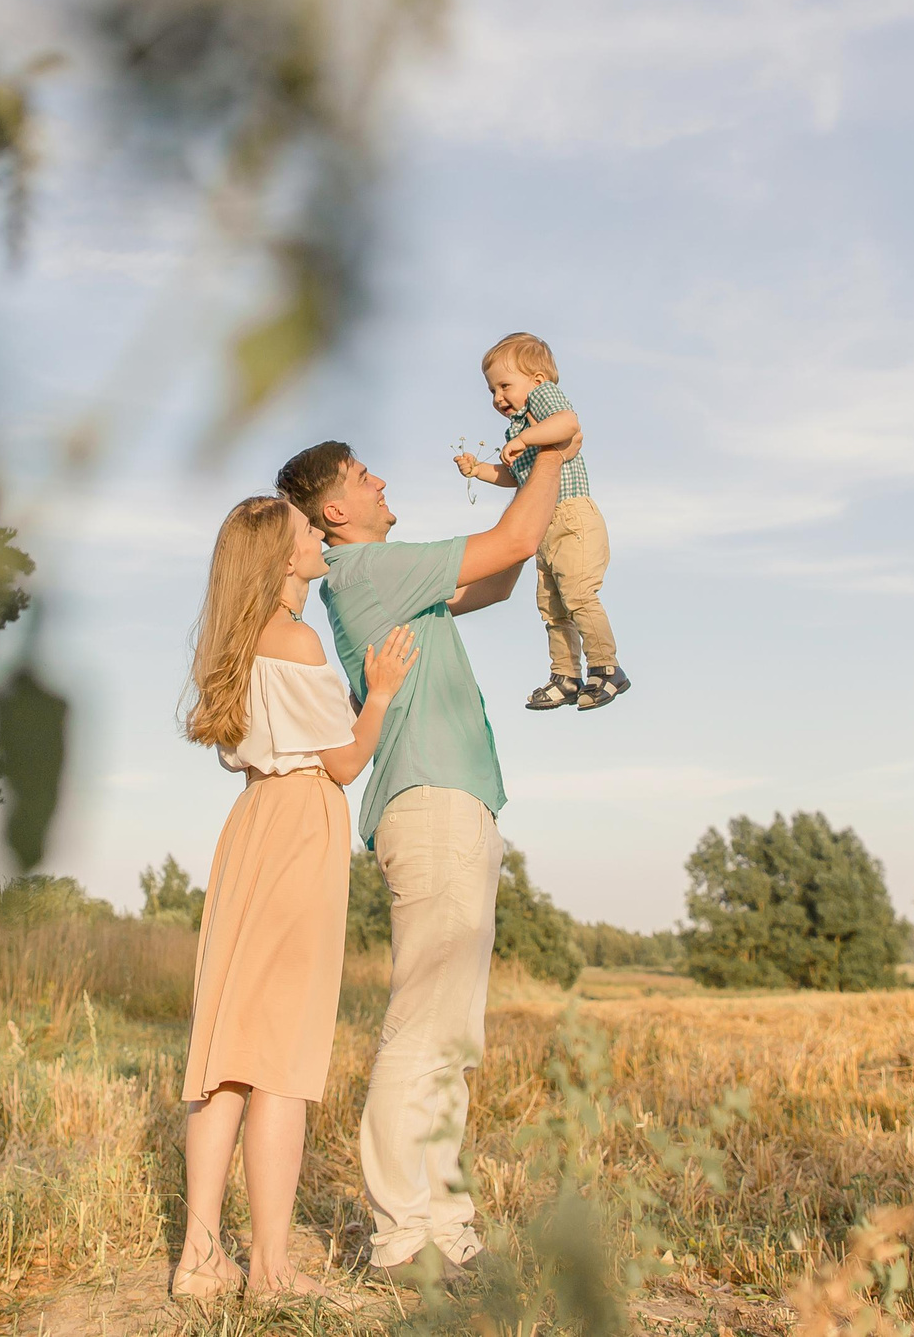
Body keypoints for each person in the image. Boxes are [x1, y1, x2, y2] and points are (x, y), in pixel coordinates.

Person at [274, 427, 574, 1281]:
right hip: (432, 800)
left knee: (452, 1031)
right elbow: (513, 538)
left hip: (457, 799)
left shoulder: (400, 579)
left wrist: (529, 476)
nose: (380, 483)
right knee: (422, 1021)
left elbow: (507, 572)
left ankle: (446, 1225)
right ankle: (402, 1235)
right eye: (365, 477)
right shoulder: (367, 568)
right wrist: (553, 447)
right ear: (336, 510)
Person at [173, 495, 419, 1303]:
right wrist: (378, 690)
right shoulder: (299, 638)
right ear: (283, 559)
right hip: (300, 825)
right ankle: (272, 1272)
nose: (319, 536)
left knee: (225, 1051)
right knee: (280, 1052)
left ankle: (200, 1256)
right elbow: (345, 761)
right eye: (307, 531)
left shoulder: (236, 644)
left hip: (249, 825)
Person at [453, 331, 630, 712]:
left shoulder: (541, 397)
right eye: (491, 390)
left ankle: (606, 667)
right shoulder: (518, 428)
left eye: (504, 385)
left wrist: (527, 438)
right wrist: (480, 470)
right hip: (546, 528)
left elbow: (567, 424)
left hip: (571, 516)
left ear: (535, 379)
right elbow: (515, 476)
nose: (498, 397)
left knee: (580, 594)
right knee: (551, 605)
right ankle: (566, 675)